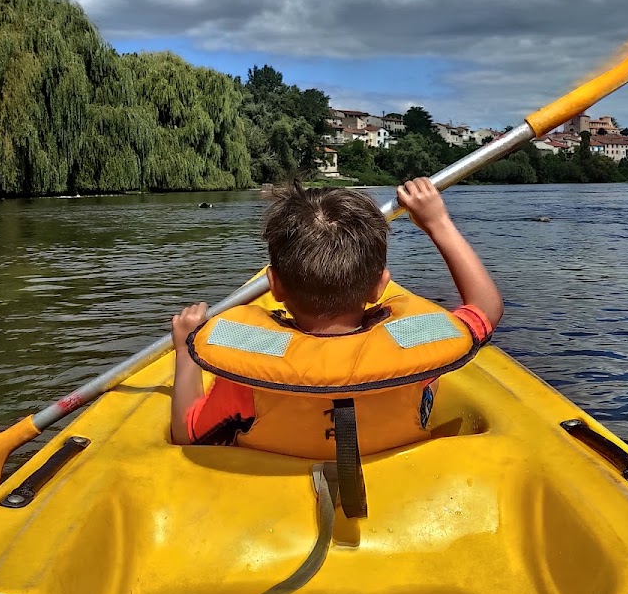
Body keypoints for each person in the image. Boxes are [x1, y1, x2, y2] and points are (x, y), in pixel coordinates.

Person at [168, 180, 504, 496]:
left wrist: (185, 350)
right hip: (401, 481)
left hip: (272, 497)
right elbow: (486, 310)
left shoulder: (247, 377)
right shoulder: (417, 341)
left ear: (275, 285)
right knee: (427, 381)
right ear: (379, 286)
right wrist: (438, 222)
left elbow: (188, 435)